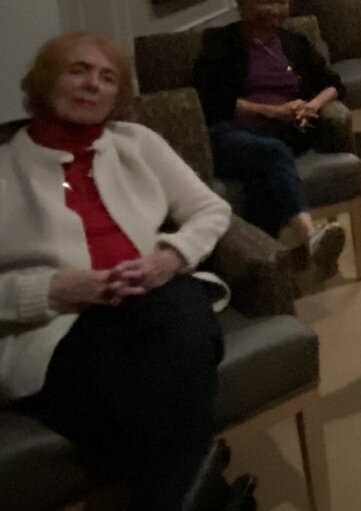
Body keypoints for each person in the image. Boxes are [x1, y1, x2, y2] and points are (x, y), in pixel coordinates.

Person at [1, 33, 232, 509]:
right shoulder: (5, 169)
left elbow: (211, 209)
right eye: (78, 71)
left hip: (157, 298)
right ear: (45, 82)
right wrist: (56, 287)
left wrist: (168, 259)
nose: (93, 84)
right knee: (176, 356)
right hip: (61, 328)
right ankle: (208, 496)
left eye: (107, 78)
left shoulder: (138, 143)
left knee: (176, 317)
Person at [191, 0, 346, 282]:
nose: (276, 9)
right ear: (242, 3)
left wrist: (312, 106)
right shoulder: (220, 42)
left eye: (281, 1)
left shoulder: (294, 43)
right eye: (266, 1)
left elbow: (333, 83)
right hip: (231, 133)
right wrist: (271, 112)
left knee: (263, 175)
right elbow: (207, 100)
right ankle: (310, 235)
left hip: (286, 133)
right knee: (271, 155)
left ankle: (263, 267)